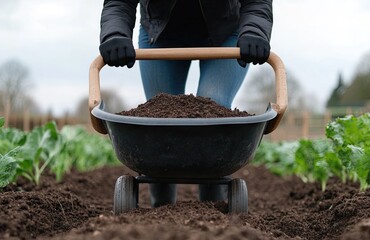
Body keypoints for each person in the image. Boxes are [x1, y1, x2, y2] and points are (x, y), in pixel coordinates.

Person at [99, 0, 273, 207]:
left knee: (213, 104)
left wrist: (254, 31)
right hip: (161, 34)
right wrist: (115, 34)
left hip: (225, 33)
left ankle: (213, 206)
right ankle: (161, 206)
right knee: (160, 115)